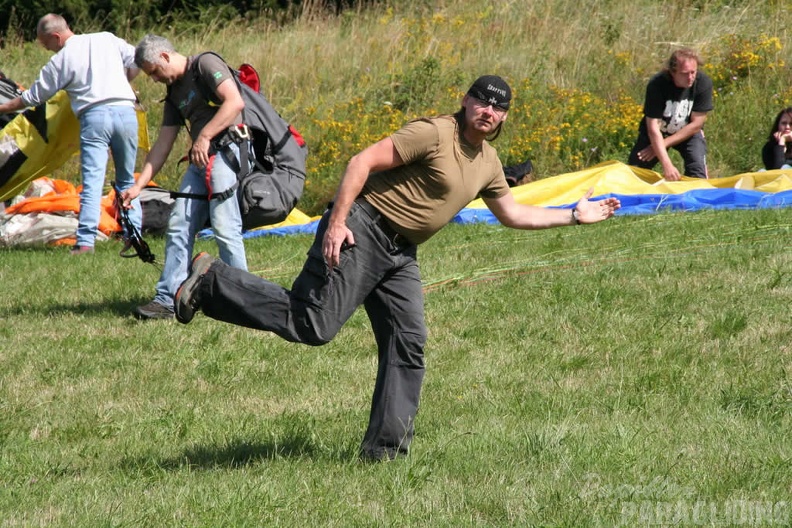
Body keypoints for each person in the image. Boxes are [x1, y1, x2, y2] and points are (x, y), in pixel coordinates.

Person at [172, 75, 621, 461]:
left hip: (401, 254)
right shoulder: (434, 133)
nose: (488, 110)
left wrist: (573, 215)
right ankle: (211, 281)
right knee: (313, 324)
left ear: (503, 118)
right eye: (482, 100)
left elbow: (514, 214)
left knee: (408, 343)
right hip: (362, 229)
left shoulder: (488, 163)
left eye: (498, 107)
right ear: (465, 101)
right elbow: (361, 162)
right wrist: (338, 223)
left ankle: (383, 453)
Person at [121, 34, 249, 320]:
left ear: (165, 56)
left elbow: (235, 102)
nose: (154, 79)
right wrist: (139, 186)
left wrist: (203, 136)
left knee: (225, 228)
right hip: (200, 160)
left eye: (154, 71)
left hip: (226, 151)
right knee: (178, 224)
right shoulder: (173, 93)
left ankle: (244, 300)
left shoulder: (205, 64)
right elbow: (163, 144)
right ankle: (167, 298)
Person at [0, 13, 142, 254]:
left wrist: (2, 107)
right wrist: (124, 81)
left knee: (93, 183)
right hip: (126, 113)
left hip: (94, 118)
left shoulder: (61, 59)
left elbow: (32, 98)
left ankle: (85, 243)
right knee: (127, 181)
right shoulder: (106, 39)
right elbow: (139, 59)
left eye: (47, 45)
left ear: (56, 37)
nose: (49, 50)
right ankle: (134, 235)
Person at [628, 48, 714, 181]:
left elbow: (696, 124)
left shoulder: (703, 83)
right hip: (658, 132)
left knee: (698, 172)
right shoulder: (657, 85)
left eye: (693, 72)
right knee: (635, 172)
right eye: (685, 73)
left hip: (688, 132)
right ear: (672, 72)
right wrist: (667, 165)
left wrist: (663, 144)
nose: (690, 77)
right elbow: (652, 128)